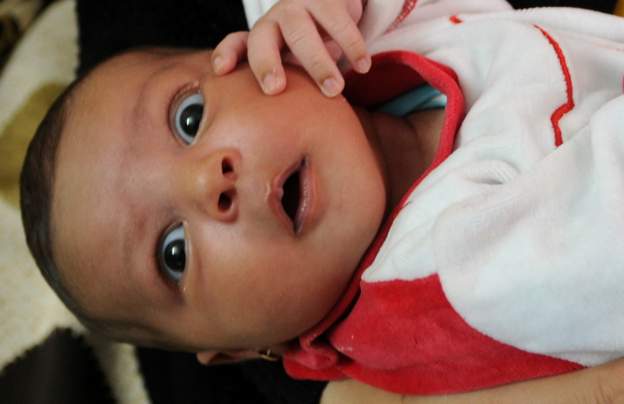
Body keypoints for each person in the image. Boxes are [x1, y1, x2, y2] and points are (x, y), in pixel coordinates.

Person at [18, 0, 624, 400]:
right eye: (173, 253)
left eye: (189, 117)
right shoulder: (451, 277)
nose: (209, 183)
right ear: (243, 349)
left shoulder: (346, 48)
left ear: (240, 53)